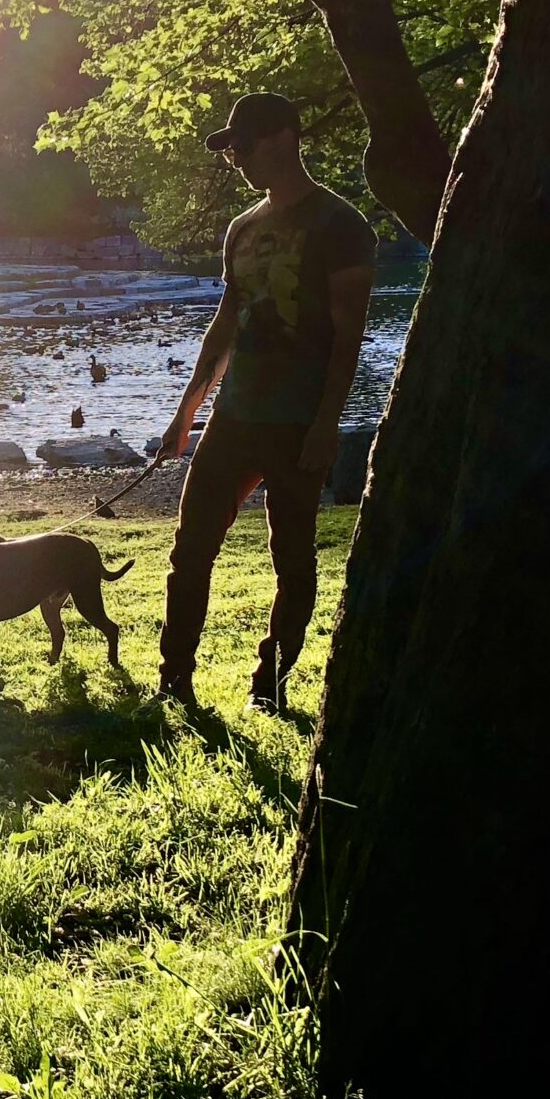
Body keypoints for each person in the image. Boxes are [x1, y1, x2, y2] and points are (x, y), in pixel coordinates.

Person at [153, 92, 376, 710]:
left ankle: (268, 685)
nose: (237, 159)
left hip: (298, 421)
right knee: (190, 547)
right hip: (235, 416)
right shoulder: (242, 229)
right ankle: (174, 681)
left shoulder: (341, 225)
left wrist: (327, 422)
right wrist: (187, 411)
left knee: (292, 557)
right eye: (231, 149)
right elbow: (227, 322)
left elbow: (348, 330)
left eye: (243, 146)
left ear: (282, 139)